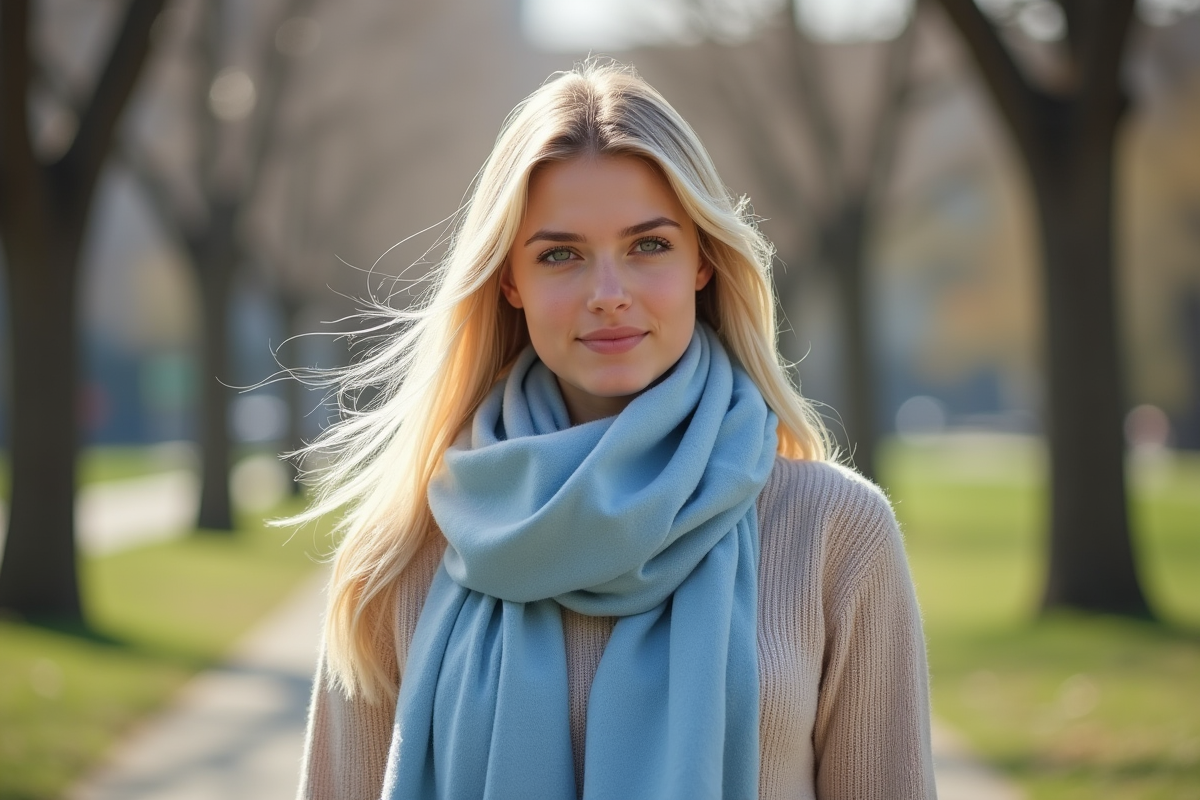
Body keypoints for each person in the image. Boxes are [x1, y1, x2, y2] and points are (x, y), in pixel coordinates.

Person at [292, 61, 936, 800]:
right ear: (510, 281)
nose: (608, 295)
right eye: (560, 255)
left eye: (648, 246)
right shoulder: (403, 549)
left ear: (703, 260)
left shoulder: (834, 534)